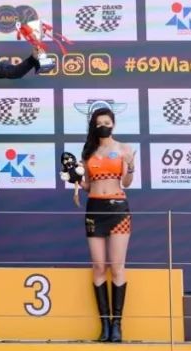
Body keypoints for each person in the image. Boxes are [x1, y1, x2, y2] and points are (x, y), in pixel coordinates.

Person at [78, 106, 136, 343]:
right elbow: (87, 185)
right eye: (99, 123)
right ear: (94, 125)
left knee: (117, 266)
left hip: (118, 210)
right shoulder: (88, 152)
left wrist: (131, 165)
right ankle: (104, 326)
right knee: (99, 266)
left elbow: (127, 182)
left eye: (107, 122)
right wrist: (74, 178)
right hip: (94, 209)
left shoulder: (124, 149)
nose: (103, 126)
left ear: (113, 124)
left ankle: (117, 326)